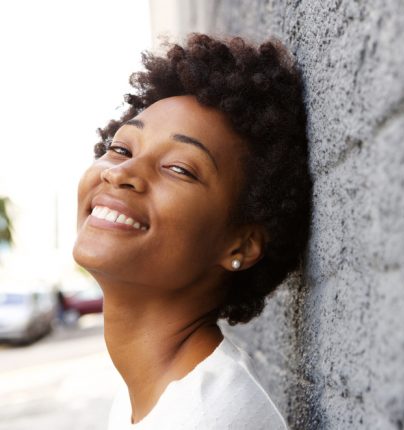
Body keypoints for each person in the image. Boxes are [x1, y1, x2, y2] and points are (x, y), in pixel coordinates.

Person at [72, 33, 311, 429]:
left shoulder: (205, 417)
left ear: (242, 244)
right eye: (121, 149)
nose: (120, 173)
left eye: (179, 168)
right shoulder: (155, 398)